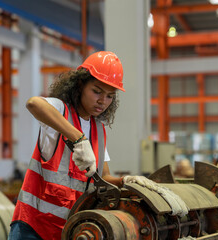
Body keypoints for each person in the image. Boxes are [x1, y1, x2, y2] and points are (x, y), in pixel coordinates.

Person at [8, 51, 129, 240]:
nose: (102, 101)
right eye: (96, 91)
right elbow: (33, 104)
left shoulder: (99, 130)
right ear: (80, 85)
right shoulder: (60, 111)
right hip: (33, 229)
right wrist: (78, 138)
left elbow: (103, 177)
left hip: (69, 230)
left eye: (109, 96)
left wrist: (127, 182)